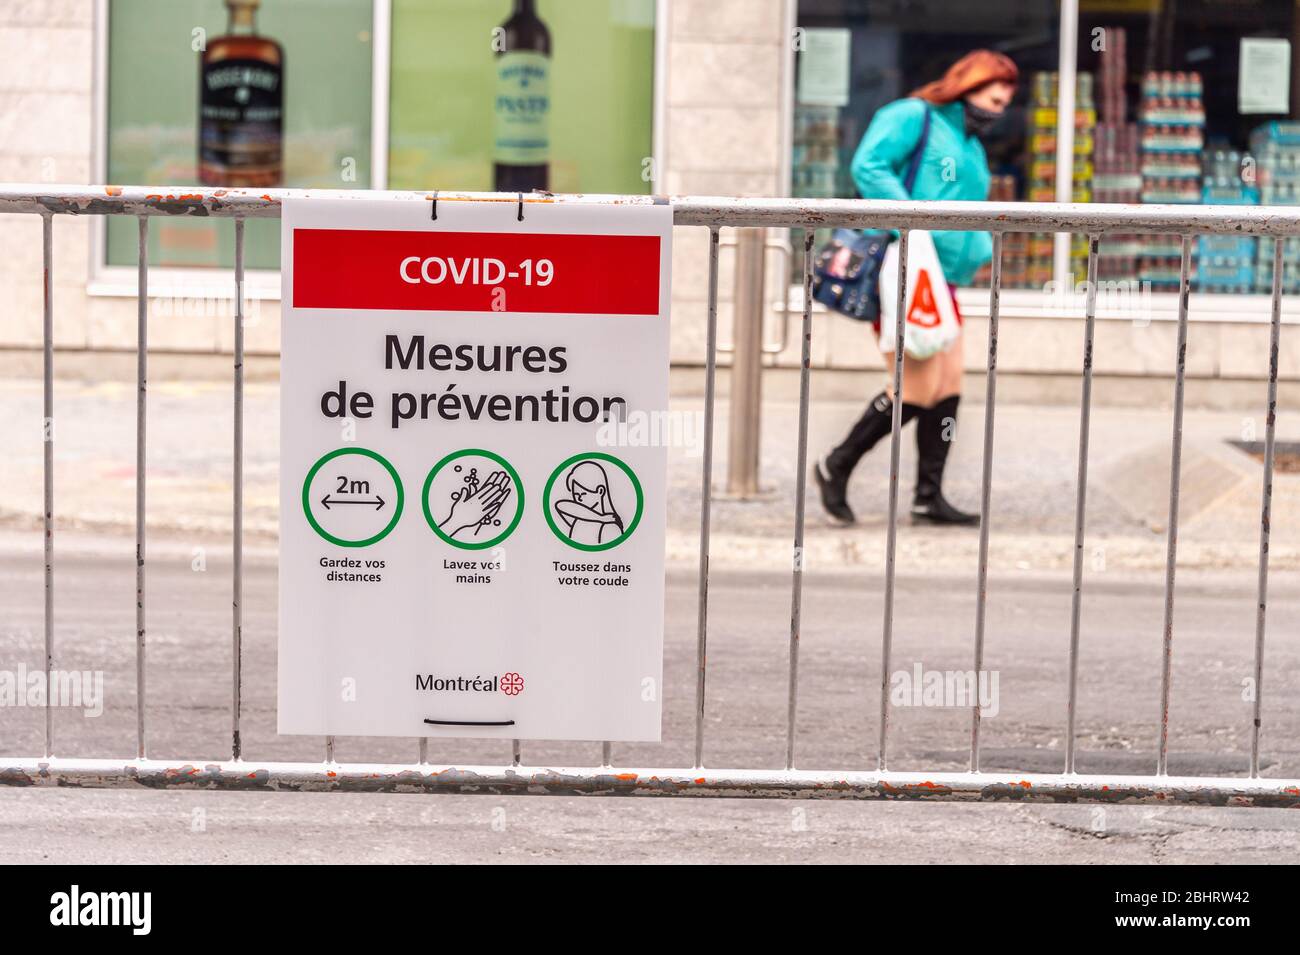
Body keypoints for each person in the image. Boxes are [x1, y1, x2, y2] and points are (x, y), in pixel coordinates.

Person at [814, 50, 1018, 526]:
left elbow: (969, 206)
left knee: (948, 385)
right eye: (991, 98)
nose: (996, 111)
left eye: (1004, 104)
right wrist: (912, 219)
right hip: (903, 266)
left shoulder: (970, 142)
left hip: (940, 275)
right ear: (966, 85)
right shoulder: (914, 116)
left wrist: (978, 255)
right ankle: (836, 464)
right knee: (916, 387)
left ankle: (929, 495)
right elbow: (869, 166)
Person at [554, 460, 625, 545]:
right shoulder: (578, 517)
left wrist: (602, 520)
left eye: (584, 494)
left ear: (600, 491)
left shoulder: (609, 526)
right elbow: (561, 505)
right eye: (576, 494)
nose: (579, 498)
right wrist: (600, 518)